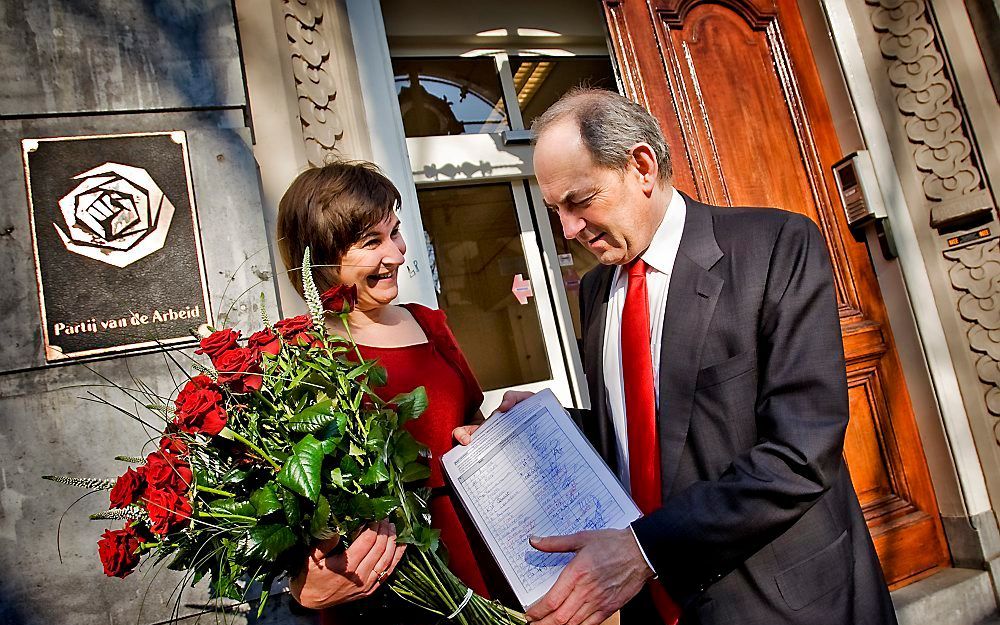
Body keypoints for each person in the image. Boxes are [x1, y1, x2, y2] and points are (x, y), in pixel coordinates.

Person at [478, 88, 897, 625]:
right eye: (555, 209)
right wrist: (549, 429)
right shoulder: (595, 292)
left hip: (785, 602)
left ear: (642, 167)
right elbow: (648, 435)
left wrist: (646, 550)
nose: (569, 230)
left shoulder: (775, 246)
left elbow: (801, 450)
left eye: (580, 202)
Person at [275, 160, 489, 624]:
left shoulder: (431, 325)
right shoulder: (298, 355)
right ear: (321, 256)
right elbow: (289, 503)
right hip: (383, 587)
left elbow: (474, 421)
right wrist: (303, 586)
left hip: (478, 556)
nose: (396, 252)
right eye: (372, 242)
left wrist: (499, 431)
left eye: (394, 232)